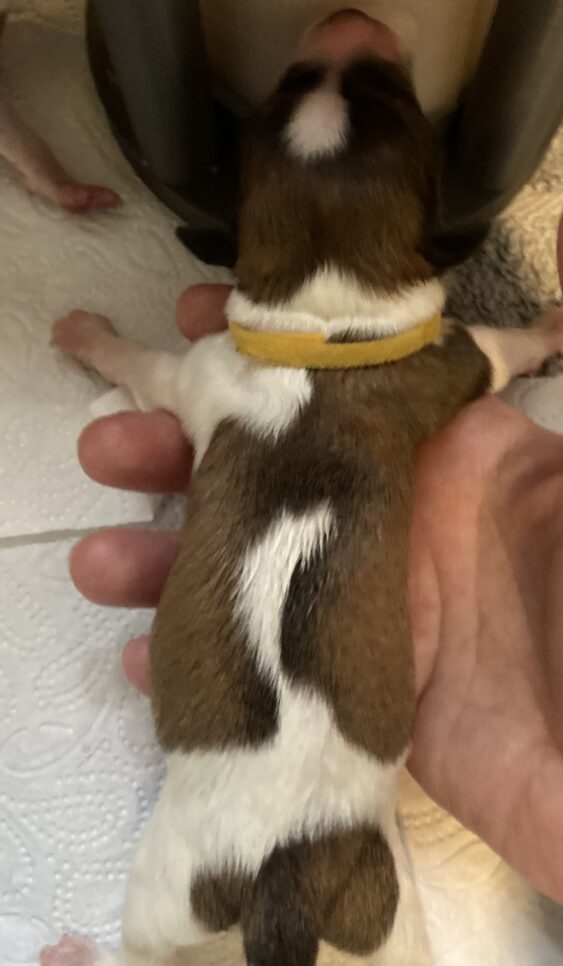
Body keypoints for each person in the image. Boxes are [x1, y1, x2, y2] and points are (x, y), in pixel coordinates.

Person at [70, 216, 563, 906]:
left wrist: (97, 345)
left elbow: (153, 374)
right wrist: (539, 340)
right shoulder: (423, 360)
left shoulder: (221, 371)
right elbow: (487, 357)